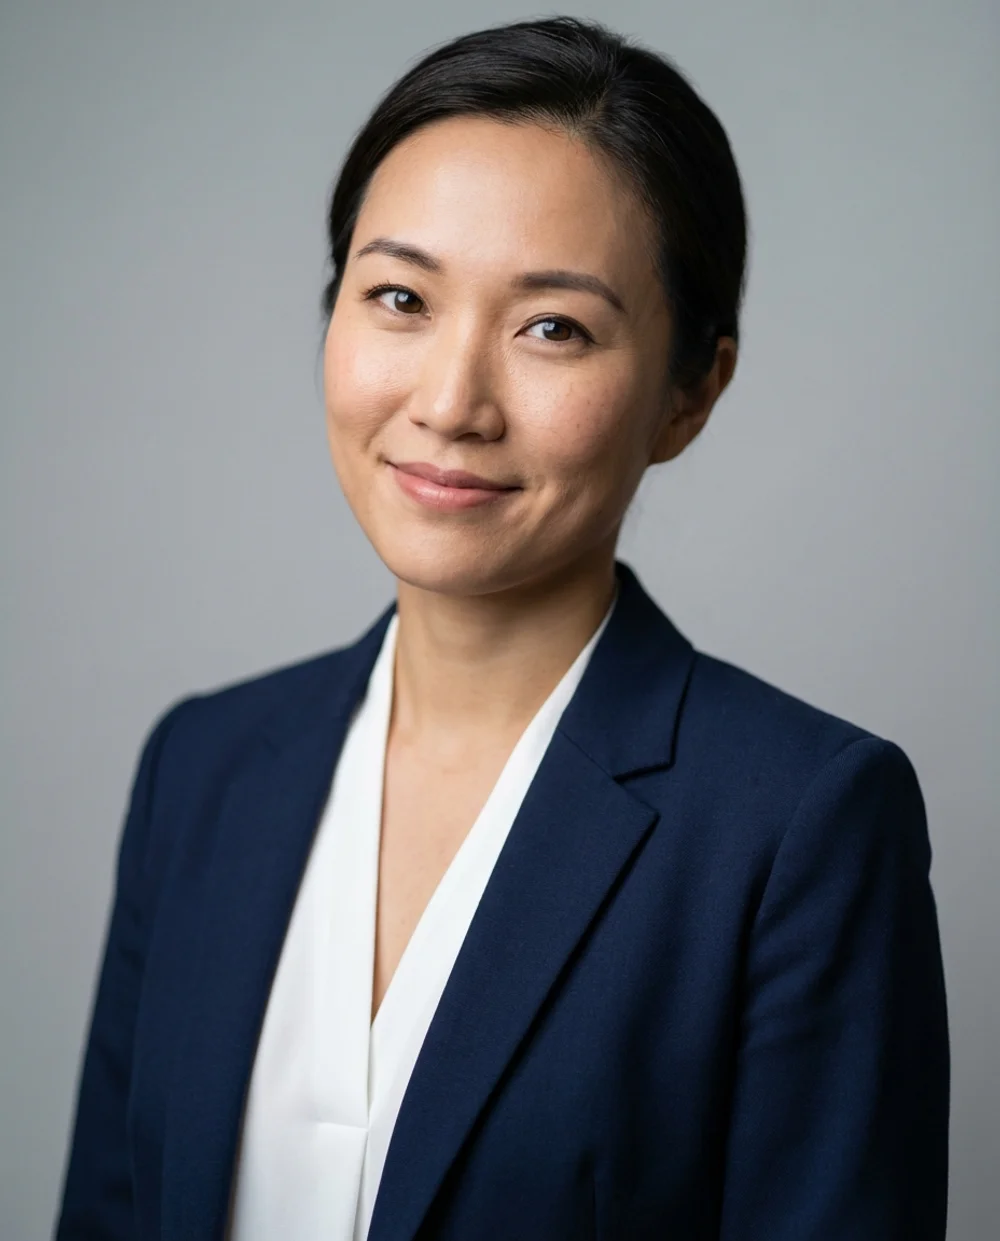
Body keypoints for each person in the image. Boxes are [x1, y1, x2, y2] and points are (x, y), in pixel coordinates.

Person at [54, 14, 949, 1241]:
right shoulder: (201, 770)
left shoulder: (799, 825)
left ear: (690, 391)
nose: (450, 401)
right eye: (400, 297)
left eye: (552, 327)